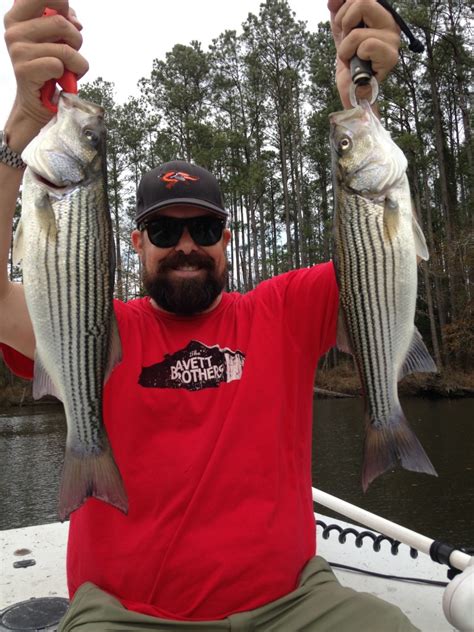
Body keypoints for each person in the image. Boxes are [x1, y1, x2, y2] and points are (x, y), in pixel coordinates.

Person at [0, 1, 415, 630]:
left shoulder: (286, 310)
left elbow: (379, 256)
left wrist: (362, 98)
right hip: (123, 614)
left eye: (205, 226)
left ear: (227, 236)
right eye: (165, 229)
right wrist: (22, 127)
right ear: (135, 242)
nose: (187, 244)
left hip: (294, 604)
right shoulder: (91, 326)